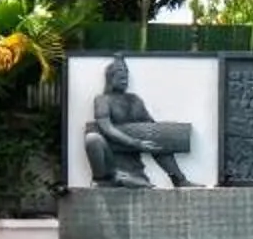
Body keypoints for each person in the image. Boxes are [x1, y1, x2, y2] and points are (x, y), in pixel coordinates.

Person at [83, 57, 196, 188]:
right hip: (111, 158)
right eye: (120, 77)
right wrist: (136, 143)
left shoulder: (134, 100)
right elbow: (106, 127)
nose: (124, 81)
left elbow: (152, 129)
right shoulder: (102, 100)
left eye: (126, 78)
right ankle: (108, 178)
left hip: (133, 159)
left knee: (158, 138)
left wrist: (158, 137)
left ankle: (178, 179)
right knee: (92, 139)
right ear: (110, 78)